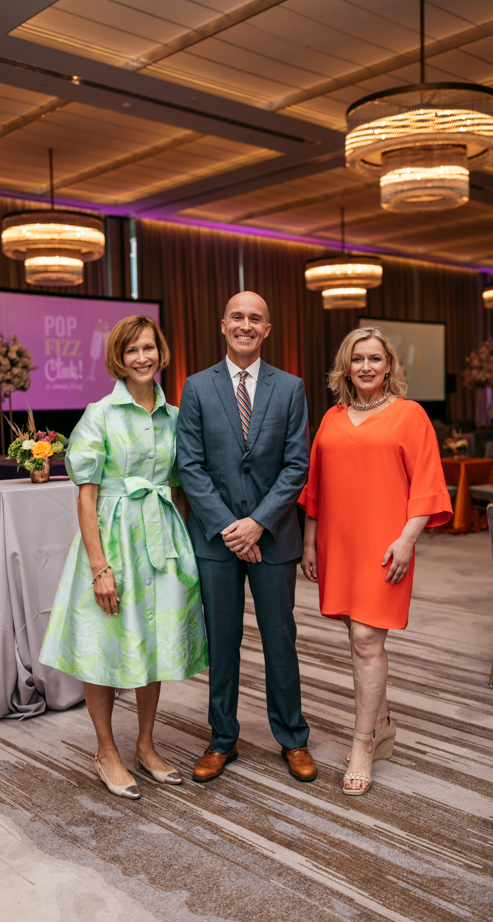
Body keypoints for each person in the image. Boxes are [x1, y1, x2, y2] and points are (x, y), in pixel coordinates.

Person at [40, 316, 208, 799]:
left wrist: (179, 548)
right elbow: (85, 497)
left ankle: (147, 745)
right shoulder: (100, 414)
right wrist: (99, 567)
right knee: (107, 647)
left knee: (152, 641)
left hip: (160, 544)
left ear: (161, 352)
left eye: (149, 348)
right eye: (132, 349)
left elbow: (180, 490)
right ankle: (106, 750)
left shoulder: (175, 416)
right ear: (119, 356)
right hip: (112, 542)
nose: (142, 357)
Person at [299, 326, 452, 796]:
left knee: (367, 639)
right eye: (357, 359)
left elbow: (427, 484)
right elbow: (316, 487)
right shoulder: (332, 417)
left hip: (386, 544)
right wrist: (309, 542)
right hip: (337, 542)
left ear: (389, 367)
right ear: (346, 366)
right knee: (355, 633)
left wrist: (408, 540)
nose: (366, 367)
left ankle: (363, 742)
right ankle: (382, 722)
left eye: (375, 359)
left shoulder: (410, 416)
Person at [176, 291, 316, 784]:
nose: (246, 325)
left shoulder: (291, 387)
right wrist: (229, 527)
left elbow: (297, 464)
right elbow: (189, 466)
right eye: (238, 316)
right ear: (223, 325)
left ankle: (293, 738)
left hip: (273, 535)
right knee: (223, 641)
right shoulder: (194, 388)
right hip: (216, 539)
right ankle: (221, 738)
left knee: (281, 639)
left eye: (256, 318)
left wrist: (257, 522)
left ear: (267, 330)